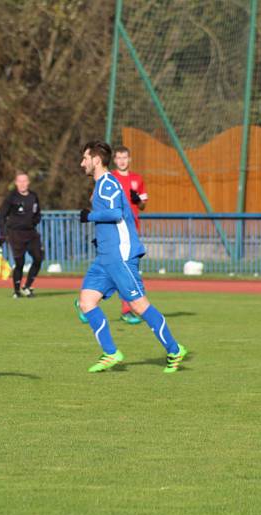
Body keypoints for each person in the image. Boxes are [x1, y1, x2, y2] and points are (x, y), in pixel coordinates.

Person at [76, 140, 187, 373]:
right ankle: (110, 353)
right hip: (104, 258)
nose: (82, 163)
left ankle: (174, 350)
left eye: (85, 158)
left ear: (96, 160)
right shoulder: (100, 184)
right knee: (86, 302)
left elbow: (116, 212)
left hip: (121, 256)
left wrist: (91, 216)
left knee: (138, 306)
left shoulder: (107, 183)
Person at [112, 145, 148, 324]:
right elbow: (95, 199)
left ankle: (127, 308)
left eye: (124, 157)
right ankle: (87, 302)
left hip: (132, 230)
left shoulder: (137, 179)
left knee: (128, 269)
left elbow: (143, 205)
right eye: (119, 157)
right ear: (114, 160)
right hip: (115, 230)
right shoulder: (109, 178)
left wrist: (137, 201)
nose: (122, 161)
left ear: (129, 159)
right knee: (119, 269)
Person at [0, 172, 43, 298]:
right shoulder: (11, 198)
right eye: (20, 181)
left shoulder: (33, 196)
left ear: (28, 182)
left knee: (38, 258)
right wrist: (2, 234)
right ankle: (16, 290)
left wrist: (35, 221)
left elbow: (38, 213)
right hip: (15, 233)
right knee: (20, 262)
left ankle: (27, 286)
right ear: (16, 183)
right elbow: (2, 216)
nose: (22, 184)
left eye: (25, 181)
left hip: (31, 233)